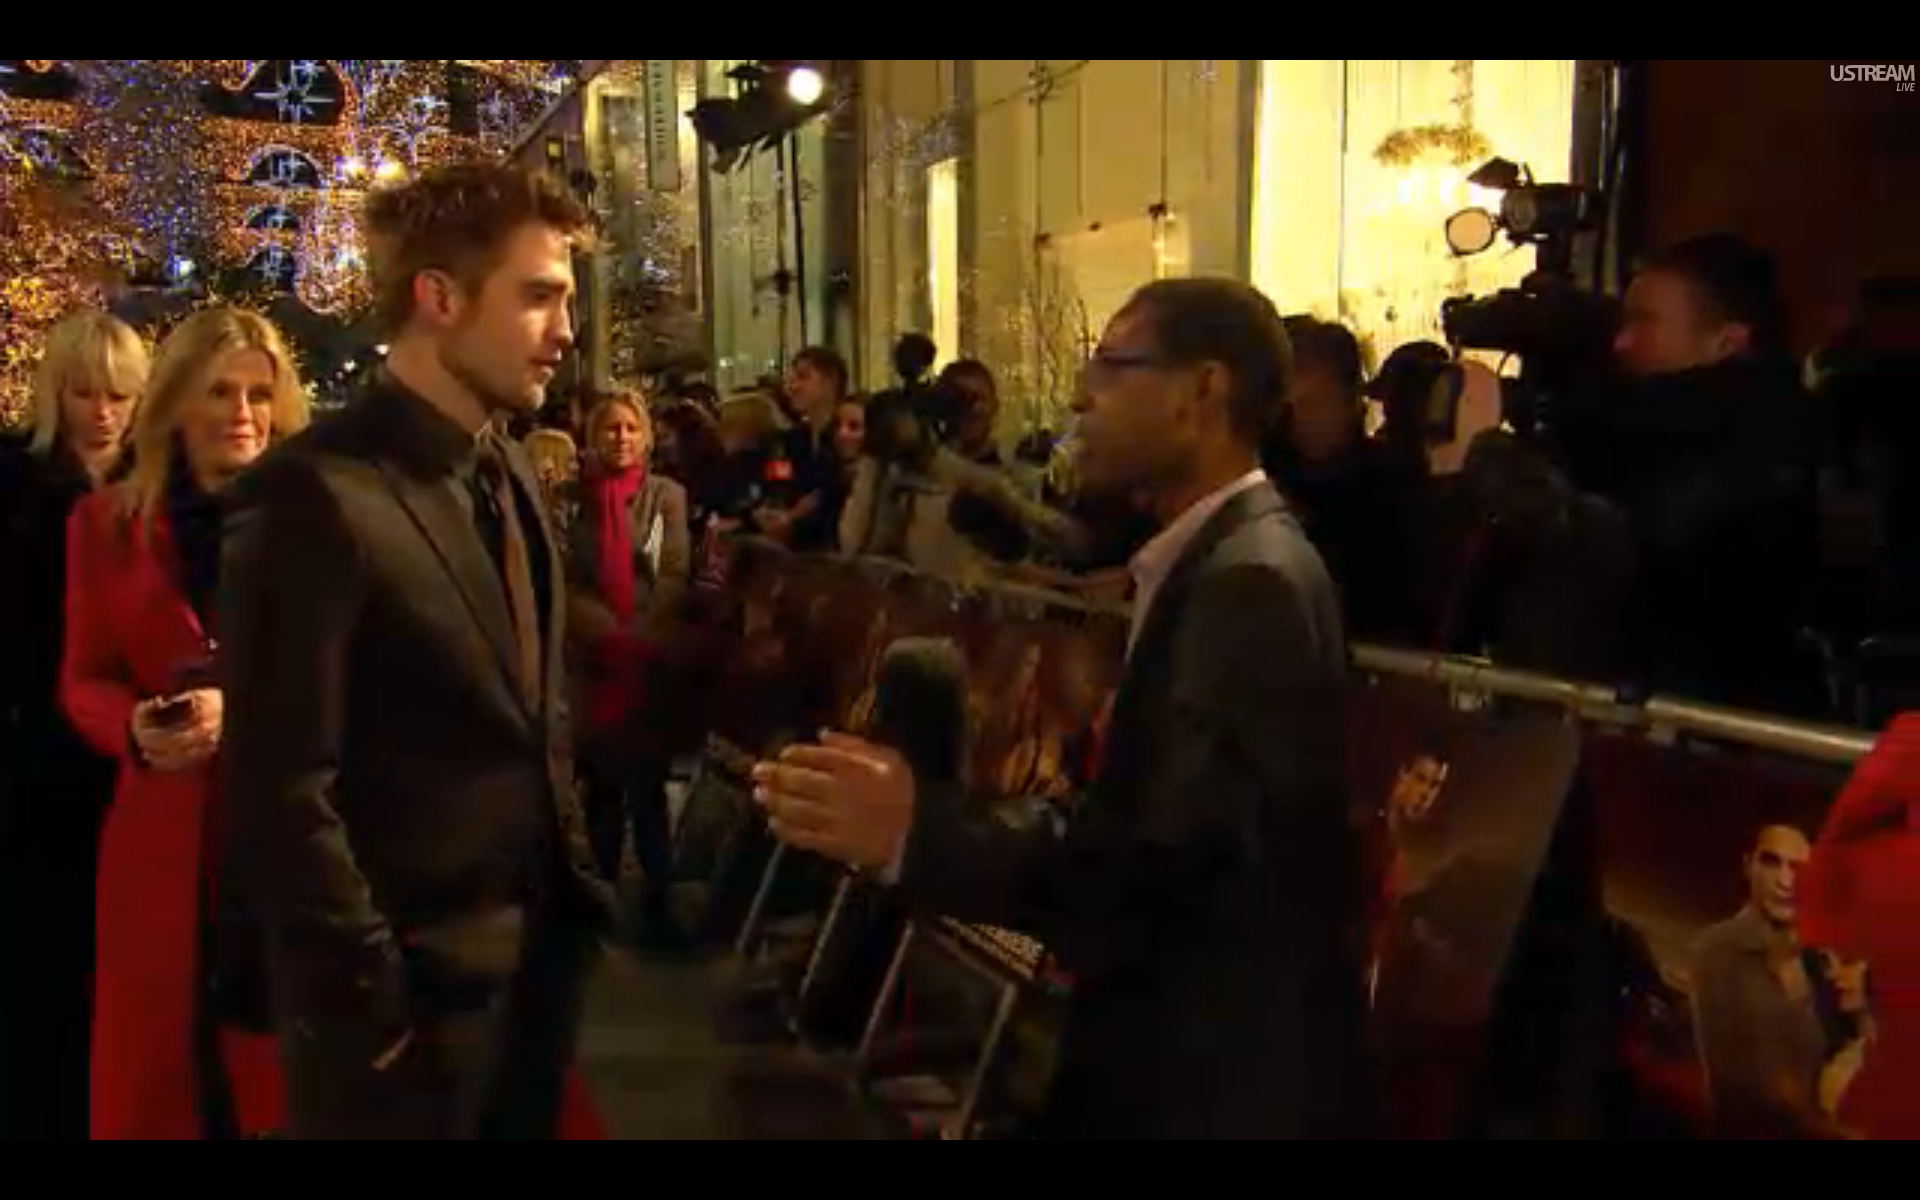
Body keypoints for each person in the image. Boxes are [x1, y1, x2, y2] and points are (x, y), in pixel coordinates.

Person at [755, 277, 1372, 1139]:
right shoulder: (1218, 561)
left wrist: (920, 831)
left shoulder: (1252, 582)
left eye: (1114, 365)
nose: (1082, 395)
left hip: (1209, 1082)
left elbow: (1162, 864)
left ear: (1202, 391)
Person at [217, 162, 613, 1140]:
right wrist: (368, 991)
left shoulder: (509, 465)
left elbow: (532, 710)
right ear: (439, 297)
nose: (566, 331)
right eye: (538, 297)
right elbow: (280, 787)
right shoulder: (310, 493)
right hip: (398, 1017)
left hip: (535, 979)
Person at [62, 309, 305, 1138]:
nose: (243, 413)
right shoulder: (106, 525)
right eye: (220, 392)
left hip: (288, 830)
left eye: (258, 394)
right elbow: (82, 676)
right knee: (165, 1075)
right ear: (175, 404)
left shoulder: (316, 521)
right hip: (161, 836)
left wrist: (246, 706)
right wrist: (131, 726)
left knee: (279, 1076)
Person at [0, 311, 147, 1139]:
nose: (103, 412)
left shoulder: (157, 488)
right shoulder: (17, 486)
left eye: (119, 395)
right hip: (33, 760)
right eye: (86, 394)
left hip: (127, 754)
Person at [562, 392, 691, 939]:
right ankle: (602, 895)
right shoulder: (572, 500)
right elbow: (566, 576)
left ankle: (660, 895)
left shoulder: (667, 496)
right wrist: (604, 632)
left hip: (647, 661)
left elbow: (674, 571)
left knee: (648, 785)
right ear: (593, 436)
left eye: (631, 429)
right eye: (611, 429)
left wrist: (640, 632)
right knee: (601, 786)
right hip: (594, 662)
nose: (621, 438)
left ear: (646, 436)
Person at [1690, 824, 1857, 1139]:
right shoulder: (1719, 950)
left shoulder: (1817, 961)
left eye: (1798, 869)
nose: (1785, 881)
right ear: (1748, 866)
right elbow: (1754, 1086)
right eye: (1771, 862)